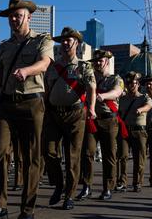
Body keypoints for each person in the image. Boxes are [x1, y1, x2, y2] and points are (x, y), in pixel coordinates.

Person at [0, 0, 53, 219]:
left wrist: (27, 71)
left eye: (18, 15)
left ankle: (27, 210)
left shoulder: (42, 40)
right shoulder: (4, 47)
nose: (14, 19)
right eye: (11, 16)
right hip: (5, 104)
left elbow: (45, 63)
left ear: (29, 17)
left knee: (32, 157)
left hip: (31, 103)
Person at [43, 27, 96, 210]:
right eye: (63, 40)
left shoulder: (84, 66)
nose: (65, 43)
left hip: (75, 115)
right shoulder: (53, 66)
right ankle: (58, 184)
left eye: (69, 40)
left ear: (77, 43)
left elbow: (91, 87)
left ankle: (69, 195)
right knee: (49, 151)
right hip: (53, 114)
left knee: (73, 156)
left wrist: (92, 108)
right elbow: (47, 89)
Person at [77, 49, 123, 202]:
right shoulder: (89, 78)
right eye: (95, 61)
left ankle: (107, 188)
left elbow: (117, 91)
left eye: (100, 60)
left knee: (109, 154)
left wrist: (103, 95)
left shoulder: (115, 78)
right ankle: (86, 186)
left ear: (107, 62)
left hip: (109, 120)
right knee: (87, 153)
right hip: (91, 119)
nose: (97, 63)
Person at [116, 72, 151, 192]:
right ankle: (122, 182)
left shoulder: (144, 97)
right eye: (129, 83)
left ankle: (137, 182)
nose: (131, 85)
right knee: (122, 157)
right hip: (125, 131)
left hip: (139, 132)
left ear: (138, 84)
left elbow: (148, 106)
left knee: (139, 158)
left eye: (134, 83)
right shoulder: (123, 99)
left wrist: (141, 109)